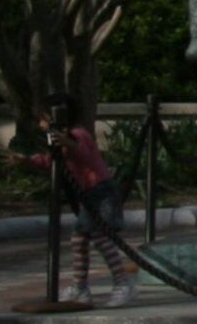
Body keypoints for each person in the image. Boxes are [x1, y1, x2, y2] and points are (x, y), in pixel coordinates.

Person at [48, 118, 139, 306]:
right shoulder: (58, 141)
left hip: (101, 191)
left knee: (100, 236)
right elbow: (52, 161)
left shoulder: (79, 134)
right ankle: (80, 288)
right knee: (79, 238)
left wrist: (69, 144)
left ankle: (122, 283)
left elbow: (86, 155)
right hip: (89, 194)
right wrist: (26, 160)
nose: (41, 125)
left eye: (43, 120)